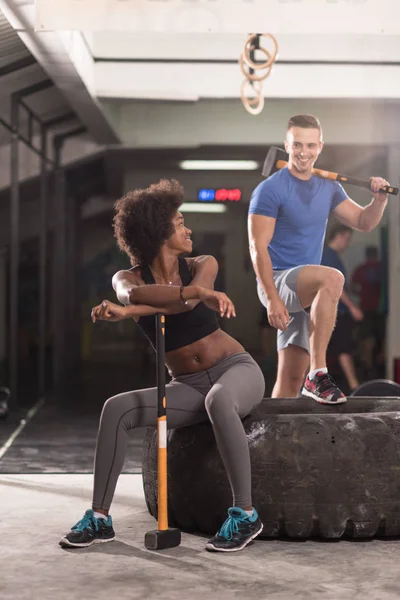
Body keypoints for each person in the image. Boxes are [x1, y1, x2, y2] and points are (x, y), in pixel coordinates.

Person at [59, 179, 265, 553]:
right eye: (181, 222)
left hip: (235, 371)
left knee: (218, 400)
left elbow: (179, 304)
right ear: (158, 231)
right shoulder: (128, 279)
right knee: (116, 408)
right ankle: (100, 518)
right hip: (187, 385)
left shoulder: (203, 264)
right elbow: (134, 294)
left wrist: (144, 308)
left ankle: (245, 515)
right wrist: (131, 306)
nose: (189, 229)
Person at [248, 114, 389, 404]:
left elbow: (363, 222)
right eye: (297, 144)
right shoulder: (269, 190)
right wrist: (273, 299)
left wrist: (379, 200)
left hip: (307, 293)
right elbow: (257, 247)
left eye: (310, 145)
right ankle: (319, 373)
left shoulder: (329, 187)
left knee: (288, 382)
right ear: (286, 145)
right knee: (332, 277)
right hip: (278, 280)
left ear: (320, 147)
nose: (303, 152)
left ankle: (269, 444)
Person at [321, 224, 363, 393]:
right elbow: (335, 287)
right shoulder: (329, 256)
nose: (347, 243)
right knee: (343, 349)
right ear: (338, 236)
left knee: (327, 350)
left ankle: (305, 385)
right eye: (347, 239)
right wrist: (353, 307)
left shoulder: (331, 256)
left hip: (332, 310)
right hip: (336, 311)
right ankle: (355, 387)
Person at [351, 245, 385, 375]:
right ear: (377, 254)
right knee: (384, 336)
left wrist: (362, 294)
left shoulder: (361, 269)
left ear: (367, 255)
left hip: (366, 307)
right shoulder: (383, 268)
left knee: (366, 337)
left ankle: (368, 366)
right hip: (382, 307)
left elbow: (353, 287)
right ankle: (383, 362)